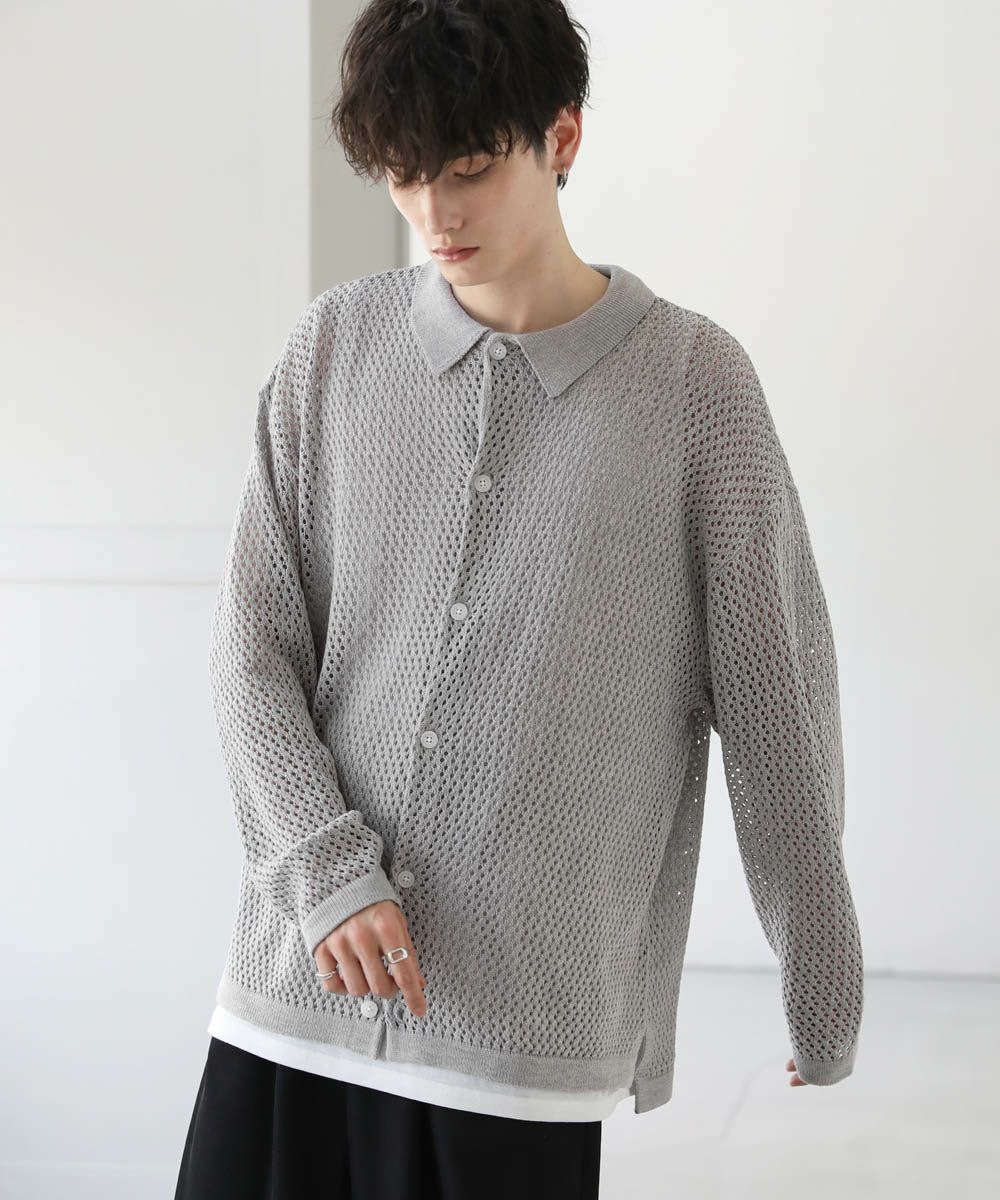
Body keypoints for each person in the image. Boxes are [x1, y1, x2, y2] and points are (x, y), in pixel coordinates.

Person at [174, 1, 864, 1197]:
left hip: (520, 1037)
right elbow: (251, 650)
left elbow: (775, 705)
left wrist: (820, 975)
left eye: (469, 170)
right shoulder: (333, 348)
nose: (434, 214)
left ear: (562, 136)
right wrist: (324, 872)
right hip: (298, 996)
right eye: (404, 176)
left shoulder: (693, 389)